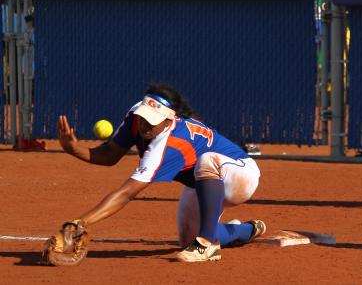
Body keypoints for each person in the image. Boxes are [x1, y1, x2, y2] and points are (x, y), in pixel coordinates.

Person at [56, 83, 265, 262]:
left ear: (168, 121)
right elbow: (111, 154)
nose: (145, 124)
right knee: (186, 240)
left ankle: (207, 245)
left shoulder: (169, 145)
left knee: (207, 159)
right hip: (204, 181)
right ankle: (248, 230)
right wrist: (73, 148)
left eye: (153, 120)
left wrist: (80, 222)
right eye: (144, 117)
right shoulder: (137, 115)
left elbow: (127, 193)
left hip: (240, 175)